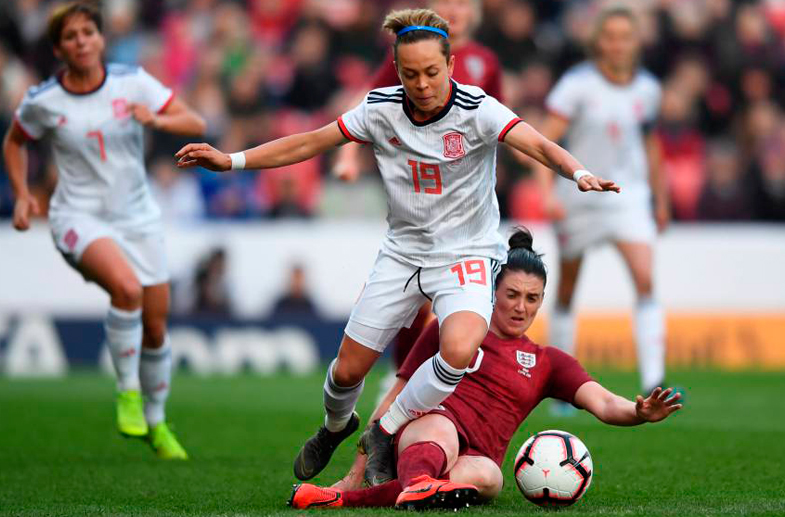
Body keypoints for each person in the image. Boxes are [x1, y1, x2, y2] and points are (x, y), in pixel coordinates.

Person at [176, 8, 618, 487]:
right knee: (346, 373)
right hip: (402, 253)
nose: (422, 83)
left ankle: (384, 430)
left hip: (467, 254)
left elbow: (537, 144)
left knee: (461, 348)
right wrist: (232, 159)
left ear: (451, 65)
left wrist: (578, 173)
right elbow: (309, 142)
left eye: (432, 72)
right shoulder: (379, 108)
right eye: (410, 74)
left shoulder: (478, 109)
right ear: (398, 69)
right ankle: (335, 427)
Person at [288, 229, 682, 510]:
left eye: (532, 298)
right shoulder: (452, 330)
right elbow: (393, 400)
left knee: (491, 477)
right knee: (441, 428)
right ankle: (361, 493)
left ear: (542, 301)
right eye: (511, 294)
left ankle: (413, 491)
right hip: (423, 436)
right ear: (493, 291)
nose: (520, 306)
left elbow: (604, 402)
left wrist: (640, 413)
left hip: (470, 462)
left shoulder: (547, 362)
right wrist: (355, 472)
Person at [2, 2, 205, 459]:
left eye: (88, 32)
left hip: (138, 217)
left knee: (155, 327)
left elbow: (195, 122)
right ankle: (127, 395)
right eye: (71, 36)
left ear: (99, 38)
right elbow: (14, 142)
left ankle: (155, 421)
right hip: (77, 217)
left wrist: (159, 118)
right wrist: (21, 193)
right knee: (126, 289)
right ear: (59, 48)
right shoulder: (43, 101)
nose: (82, 41)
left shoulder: (131, 82)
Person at [332, 0, 504, 379]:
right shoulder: (412, 53)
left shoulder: (484, 62)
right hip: (418, 191)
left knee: (458, 312)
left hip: (465, 203)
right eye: (447, 3)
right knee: (412, 303)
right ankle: (400, 380)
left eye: (462, 4)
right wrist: (348, 157)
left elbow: (499, 120)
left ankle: (430, 386)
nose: (455, 10)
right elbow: (366, 103)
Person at [535, 6, 670, 397]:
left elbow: (651, 145)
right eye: (609, 36)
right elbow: (546, 141)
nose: (617, 44)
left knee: (645, 280)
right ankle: (559, 384)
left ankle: (654, 380)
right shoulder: (576, 86)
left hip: (629, 197)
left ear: (635, 42)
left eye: (624, 36)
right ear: (598, 42)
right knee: (566, 289)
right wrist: (547, 192)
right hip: (580, 194)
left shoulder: (647, 90)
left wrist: (661, 200)